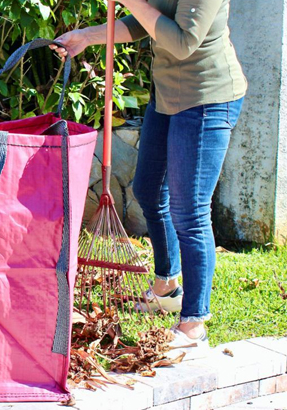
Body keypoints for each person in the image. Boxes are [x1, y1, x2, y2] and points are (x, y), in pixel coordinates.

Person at [51, 0, 247, 358]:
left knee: (190, 211)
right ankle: (167, 289)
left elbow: (182, 41)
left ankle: (193, 324)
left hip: (206, 98)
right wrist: (86, 37)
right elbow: (145, 22)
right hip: (167, 96)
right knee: (149, 190)